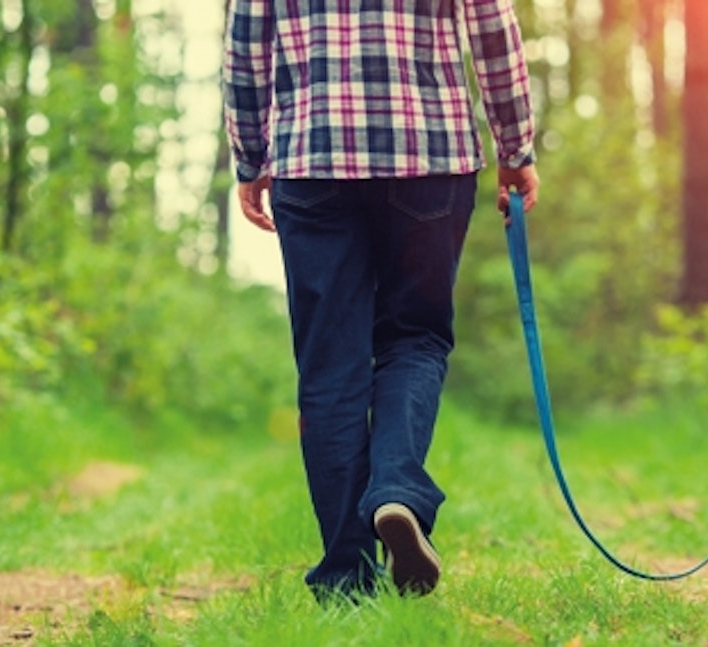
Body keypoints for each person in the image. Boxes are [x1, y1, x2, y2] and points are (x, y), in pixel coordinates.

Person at [222, 0, 539, 602]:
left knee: (329, 366)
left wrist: (251, 159)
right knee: (415, 339)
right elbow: (493, 28)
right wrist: (515, 149)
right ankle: (396, 488)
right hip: (429, 155)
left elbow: (245, 46)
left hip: (313, 161)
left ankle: (346, 576)